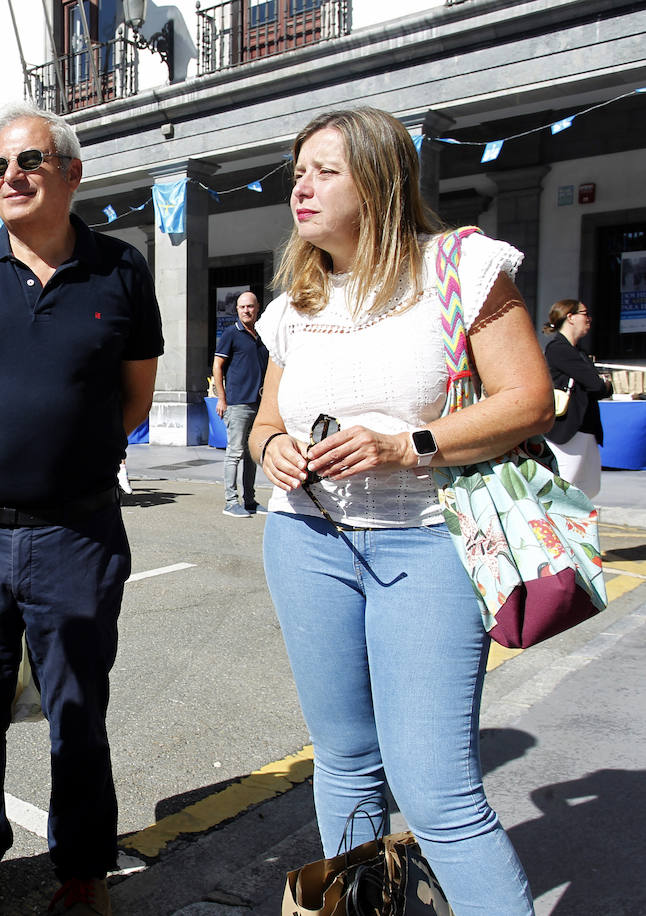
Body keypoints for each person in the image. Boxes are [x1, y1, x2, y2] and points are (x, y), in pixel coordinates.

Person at [249, 107, 549, 915]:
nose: (301, 186)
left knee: (438, 789)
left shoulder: (461, 266)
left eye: (324, 170)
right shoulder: (295, 303)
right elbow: (265, 423)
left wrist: (406, 444)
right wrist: (269, 448)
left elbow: (530, 400)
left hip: (428, 542)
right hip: (305, 537)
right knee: (344, 760)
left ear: (379, 181)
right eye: (297, 172)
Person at [0, 101, 162, 916]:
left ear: (71, 174)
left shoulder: (122, 270)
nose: (8, 178)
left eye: (26, 162)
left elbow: (133, 400)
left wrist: (61, 460)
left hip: (78, 535)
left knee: (77, 713)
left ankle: (82, 868)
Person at [543, 299, 612, 497]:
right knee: (563, 490)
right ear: (571, 317)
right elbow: (597, 385)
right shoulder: (559, 349)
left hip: (586, 428)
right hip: (568, 429)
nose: (589, 319)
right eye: (585, 313)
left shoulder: (578, 352)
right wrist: (603, 384)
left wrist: (600, 386)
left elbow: (596, 387)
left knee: (589, 489)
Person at [211, 291, 268, 517]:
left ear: (257, 308)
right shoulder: (230, 334)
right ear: (237, 310)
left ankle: (250, 500)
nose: (246, 310)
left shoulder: (261, 336)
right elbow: (217, 366)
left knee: (251, 455)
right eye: (242, 307)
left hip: (258, 403)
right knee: (234, 454)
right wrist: (222, 398)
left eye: (250, 306)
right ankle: (230, 501)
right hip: (237, 404)